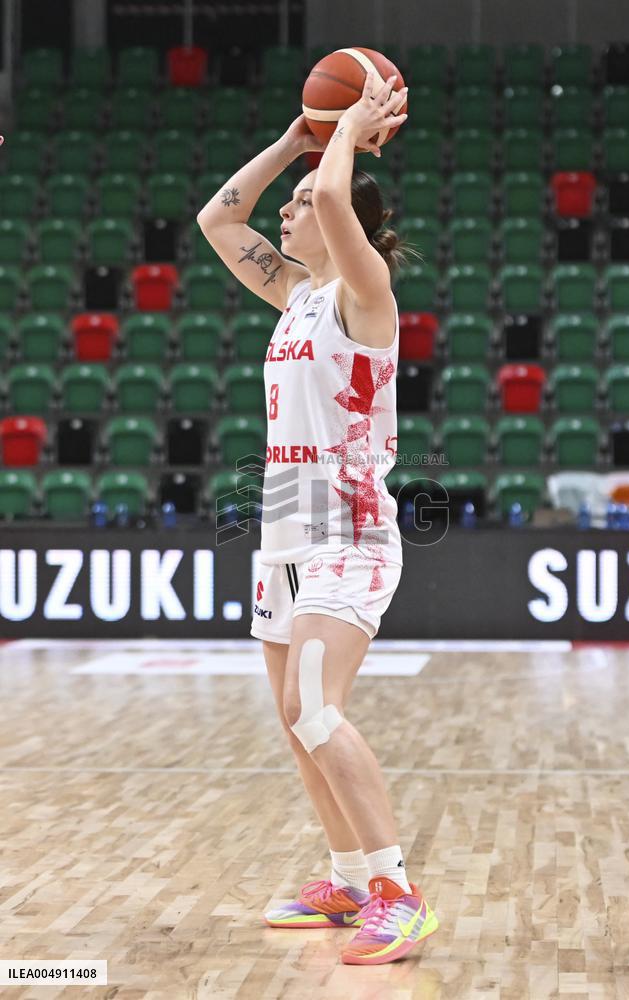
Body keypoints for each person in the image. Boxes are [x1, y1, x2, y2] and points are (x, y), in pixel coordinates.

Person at [197, 70, 438, 965]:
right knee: (291, 721)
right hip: (284, 526)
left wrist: (344, 135)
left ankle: (395, 893)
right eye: (291, 204)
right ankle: (344, 875)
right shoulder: (294, 296)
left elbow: (337, 194)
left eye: (300, 205)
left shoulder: (361, 294)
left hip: (348, 525)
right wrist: (297, 143)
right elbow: (218, 222)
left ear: (348, 228)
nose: (288, 214)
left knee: (316, 711)